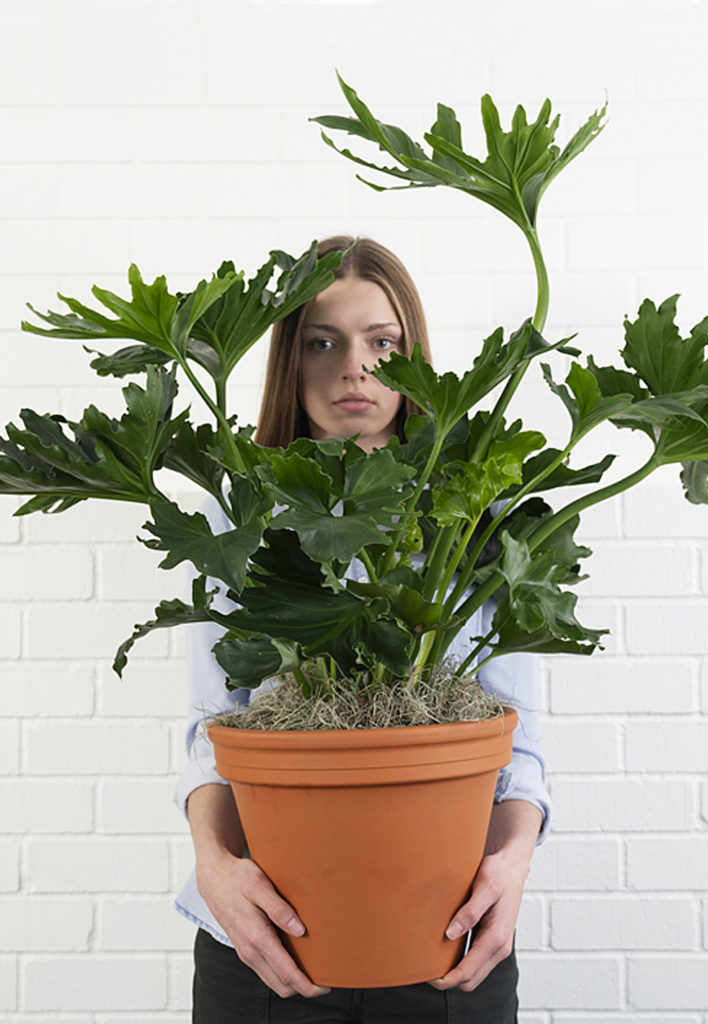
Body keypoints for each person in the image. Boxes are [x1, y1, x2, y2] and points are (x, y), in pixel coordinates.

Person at [174, 236, 551, 1023]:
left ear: (411, 359)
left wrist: (512, 865)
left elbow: (516, 747)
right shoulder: (239, 515)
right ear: (289, 361)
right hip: (265, 940)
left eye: (382, 343)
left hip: (445, 936)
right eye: (322, 342)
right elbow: (213, 730)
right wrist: (213, 864)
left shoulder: (472, 520)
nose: (354, 366)